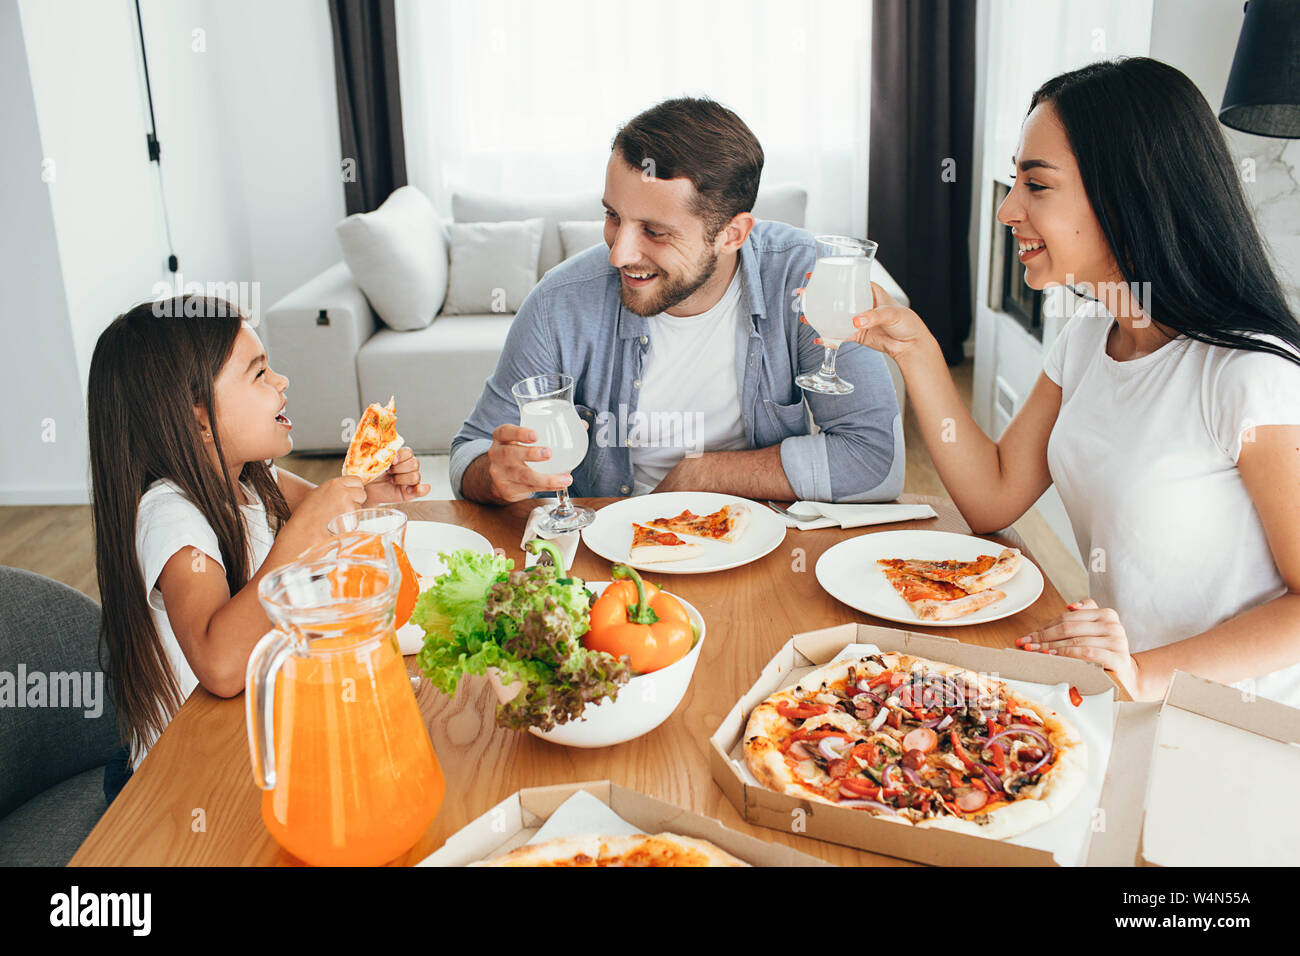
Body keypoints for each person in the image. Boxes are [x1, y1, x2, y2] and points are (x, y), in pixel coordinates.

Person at [844, 58, 1300, 704]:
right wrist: (916, 348)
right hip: (1120, 696)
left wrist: (1145, 672)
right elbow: (993, 494)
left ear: (1124, 194)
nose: (1007, 209)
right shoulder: (1090, 337)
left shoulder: (1248, 374)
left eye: (1037, 186)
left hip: (1230, 731)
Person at [452, 97, 904, 505]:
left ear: (732, 234)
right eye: (613, 216)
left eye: (655, 231)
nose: (619, 254)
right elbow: (468, 454)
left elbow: (875, 461)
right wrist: (493, 477)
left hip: (762, 543)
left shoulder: (807, 280)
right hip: (613, 551)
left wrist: (706, 474)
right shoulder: (559, 301)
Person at [88, 297, 430, 797]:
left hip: (253, 728)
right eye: (259, 373)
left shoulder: (251, 478)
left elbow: (333, 523)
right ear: (198, 419)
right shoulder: (170, 516)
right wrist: (303, 532)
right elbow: (221, 666)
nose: (281, 382)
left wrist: (372, 494)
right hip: (179, 776)